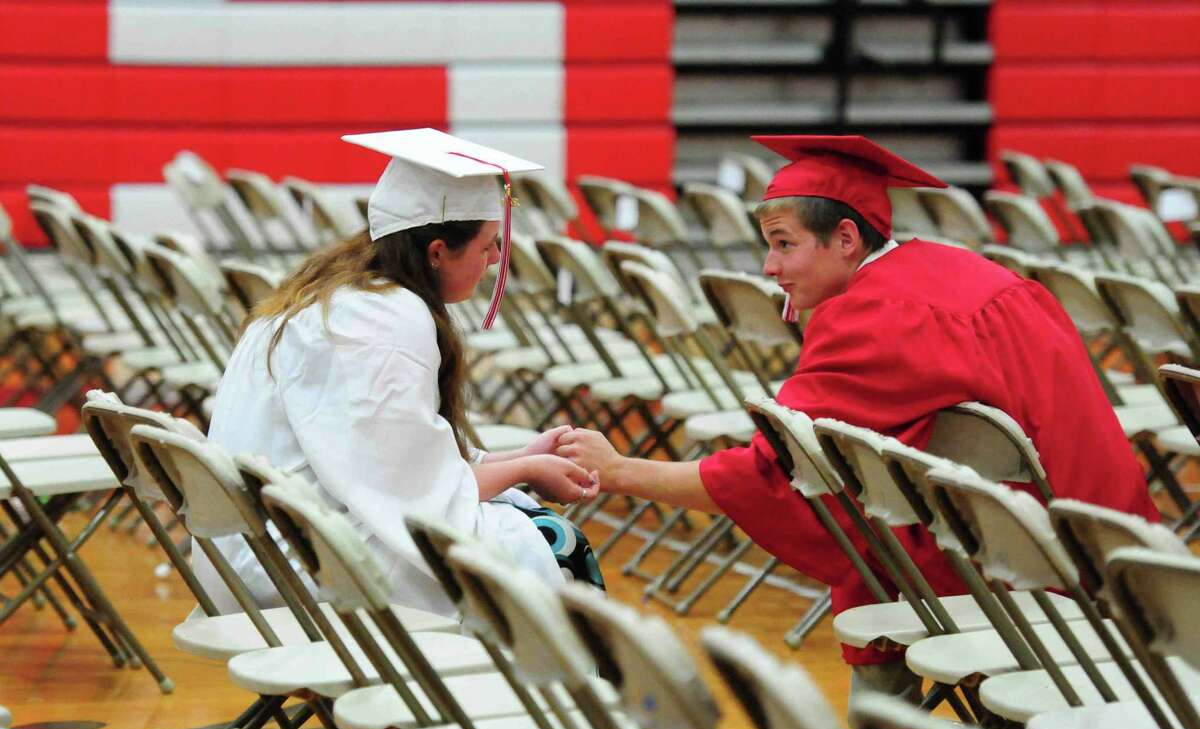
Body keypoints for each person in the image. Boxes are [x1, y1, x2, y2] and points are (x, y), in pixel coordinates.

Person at [556, 134, 1157, 694]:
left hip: (1042, 567)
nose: (769, 267)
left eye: (783, 244)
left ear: (846, 239)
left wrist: (620, 471)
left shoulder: (879, 316)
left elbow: (775, 473)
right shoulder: (961, 273)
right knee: (874, 507)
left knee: (860, 526)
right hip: (1110, 541)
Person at [200, 128, 603, 617]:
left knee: (521, 520)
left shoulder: (341, 295)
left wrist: (518, 456)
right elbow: (416, 500)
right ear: (436, 252)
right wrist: (524, 471)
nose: (497, 259)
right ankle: (544, 693)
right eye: (488, 245)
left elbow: (395, 466)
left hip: (261, 548)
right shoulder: (385, 321)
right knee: (555, 546)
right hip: (301, 567)